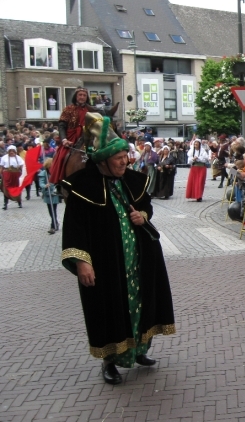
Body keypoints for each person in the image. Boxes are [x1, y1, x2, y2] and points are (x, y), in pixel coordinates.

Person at [61, 123, 175, 385]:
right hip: (106, 260)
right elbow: (74, 230)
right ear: (103, 161)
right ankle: (109, 362)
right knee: (109, 309)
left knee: (142, 303)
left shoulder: (132, 179)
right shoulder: (83, 187)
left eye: (126, 157)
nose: (125, 162)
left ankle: (139, 351)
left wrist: (142, 215)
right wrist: (81, 262)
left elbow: (145, 205)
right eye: (118, 159)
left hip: (138, 257)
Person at [49, 87, 91, 185]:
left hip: (87, 137)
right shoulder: (68, 109)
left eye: (84, 95)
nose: (82, 97)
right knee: (62, 156)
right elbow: (62, 125)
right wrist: (64, 139)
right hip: (71, 138)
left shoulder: (90, 110)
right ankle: (59, 183)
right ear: (76, 96)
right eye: (80, 95)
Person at [38, 158, 60, 234]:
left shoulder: (56, 172)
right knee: (51, 211)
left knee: (54, 210)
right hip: (48, 194)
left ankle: (53, 226)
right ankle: (56, 223)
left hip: (55, 194)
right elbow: (41, 183)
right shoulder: (43, 173)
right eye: (50, 167)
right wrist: (45, 185)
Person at [0, 145, 24, 210]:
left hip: (16, 175)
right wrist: (1, 173)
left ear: (15, 151)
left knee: (16, 188)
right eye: (10, 151)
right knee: (6, 188)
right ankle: (5, 204)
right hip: (7, 174)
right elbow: (2, 167)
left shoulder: (18, 158)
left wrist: (21, 170)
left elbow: (22, 166)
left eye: (13, 151)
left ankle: (19, 202)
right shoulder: (4, 158)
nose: (11, 152)